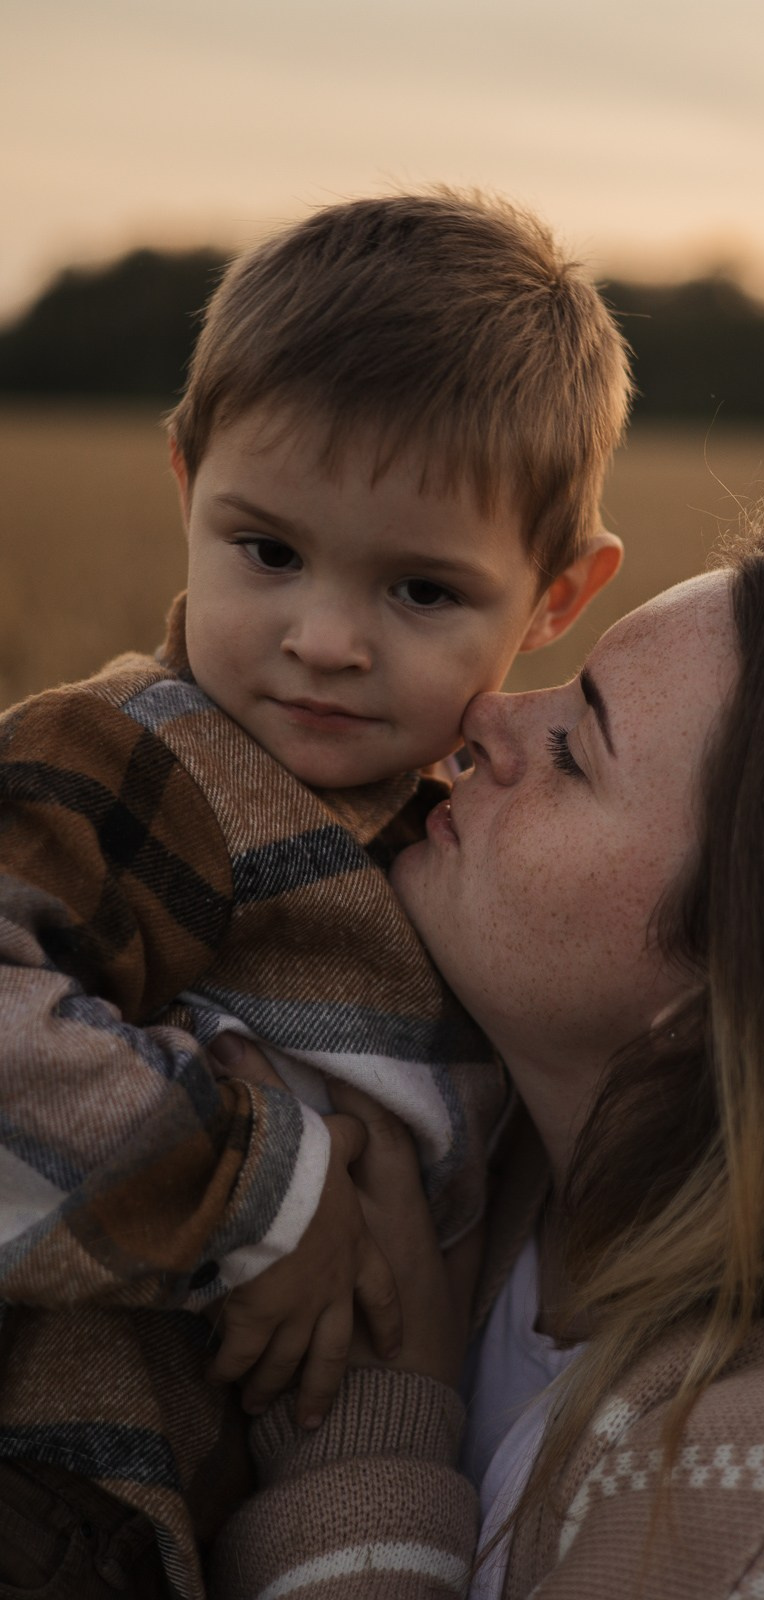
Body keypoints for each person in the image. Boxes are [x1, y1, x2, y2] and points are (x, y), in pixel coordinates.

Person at [212, 506, 764, 1598]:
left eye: (575, 746)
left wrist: (366, 1449)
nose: (484, 713)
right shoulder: (453, 1126)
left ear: (746, 986)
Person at [0, 191, 629, 1594]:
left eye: (418, 591)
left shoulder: (479, 840)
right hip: (58, 1487)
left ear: (553, 598)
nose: (324, 641)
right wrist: (259, 1192)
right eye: (266, 553)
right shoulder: (130, 760)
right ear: (185, 485)